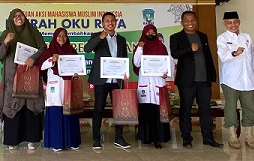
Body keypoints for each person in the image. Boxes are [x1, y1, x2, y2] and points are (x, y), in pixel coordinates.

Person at [170, 10, 223, 149]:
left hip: (204, 80)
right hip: (186, 81)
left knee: (205, 109)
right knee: (185, 109)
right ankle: (187, 138)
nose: (190, 23)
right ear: (182, 22)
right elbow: (175, 54)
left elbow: (208, 56)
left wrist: (212, 75)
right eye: (187, 20)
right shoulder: (176, 37)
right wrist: (189, 49)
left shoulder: (202, 36)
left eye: (192, 20)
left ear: (196, 21)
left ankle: (208, 138)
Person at [0, 8, 46, 150]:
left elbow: (43, 48)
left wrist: (33, 58)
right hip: (13, 77)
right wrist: (6, 41)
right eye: (15, 16)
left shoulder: (33, 32)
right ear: (11, 19)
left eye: (21, 15)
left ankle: (32, 139)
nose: (18, 18)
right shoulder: (6, 34)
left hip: (31, 75)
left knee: (30, 104)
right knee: (14, 106)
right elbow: (0, 55)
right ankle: (13, 140)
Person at [84, 12, 130, 150]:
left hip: (117, 80)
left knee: (119, 109)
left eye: (112, 20)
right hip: (101, 80)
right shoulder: (96, 36)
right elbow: (87, 49)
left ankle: (119, 138)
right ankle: (96, 139)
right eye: (107, 21)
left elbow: (124, 58)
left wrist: (125, 73)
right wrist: (99, 37)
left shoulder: (121, 39)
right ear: (102, 24)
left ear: (116, 22)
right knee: (98, 109)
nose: (110, 23)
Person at [217, 11, 254, 149]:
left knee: (250, 107)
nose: (233, 25)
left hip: (247, 79)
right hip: (231, 80)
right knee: (230, 108)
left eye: (235, 22)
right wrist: (235, 53)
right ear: (225, 24)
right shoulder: (222, 38)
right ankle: (232, 136)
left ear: (239, 22)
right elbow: (223, 56)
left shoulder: (246, 37)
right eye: (229, 23)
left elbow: (252, 57)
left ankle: (249, 136)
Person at [38, 27, 82, 152]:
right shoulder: (49, 51)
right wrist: (51, 60)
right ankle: (56, 142)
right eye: (59, 36)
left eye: (64, 36)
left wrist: (76, 73)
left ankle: (72, 142)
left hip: (69, 86)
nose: (61, 38)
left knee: (70, 112)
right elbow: (40, 66)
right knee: (56, 112)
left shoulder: (71, 51)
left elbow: (77, 67)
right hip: (55, 86)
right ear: (54, 37)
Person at [132, 24, 171, 148]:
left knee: (158, 111)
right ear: (144, 33)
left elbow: (167, 63)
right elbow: (136, 63)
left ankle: (158, 139)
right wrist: (140, 48)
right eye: (148, 32)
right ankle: (146, 137)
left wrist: (166, 73)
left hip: (158, 82)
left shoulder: (161, 47)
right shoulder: (139, 47)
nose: (151, 33)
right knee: (146, 110)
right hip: (145, 83)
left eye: (153, 32)